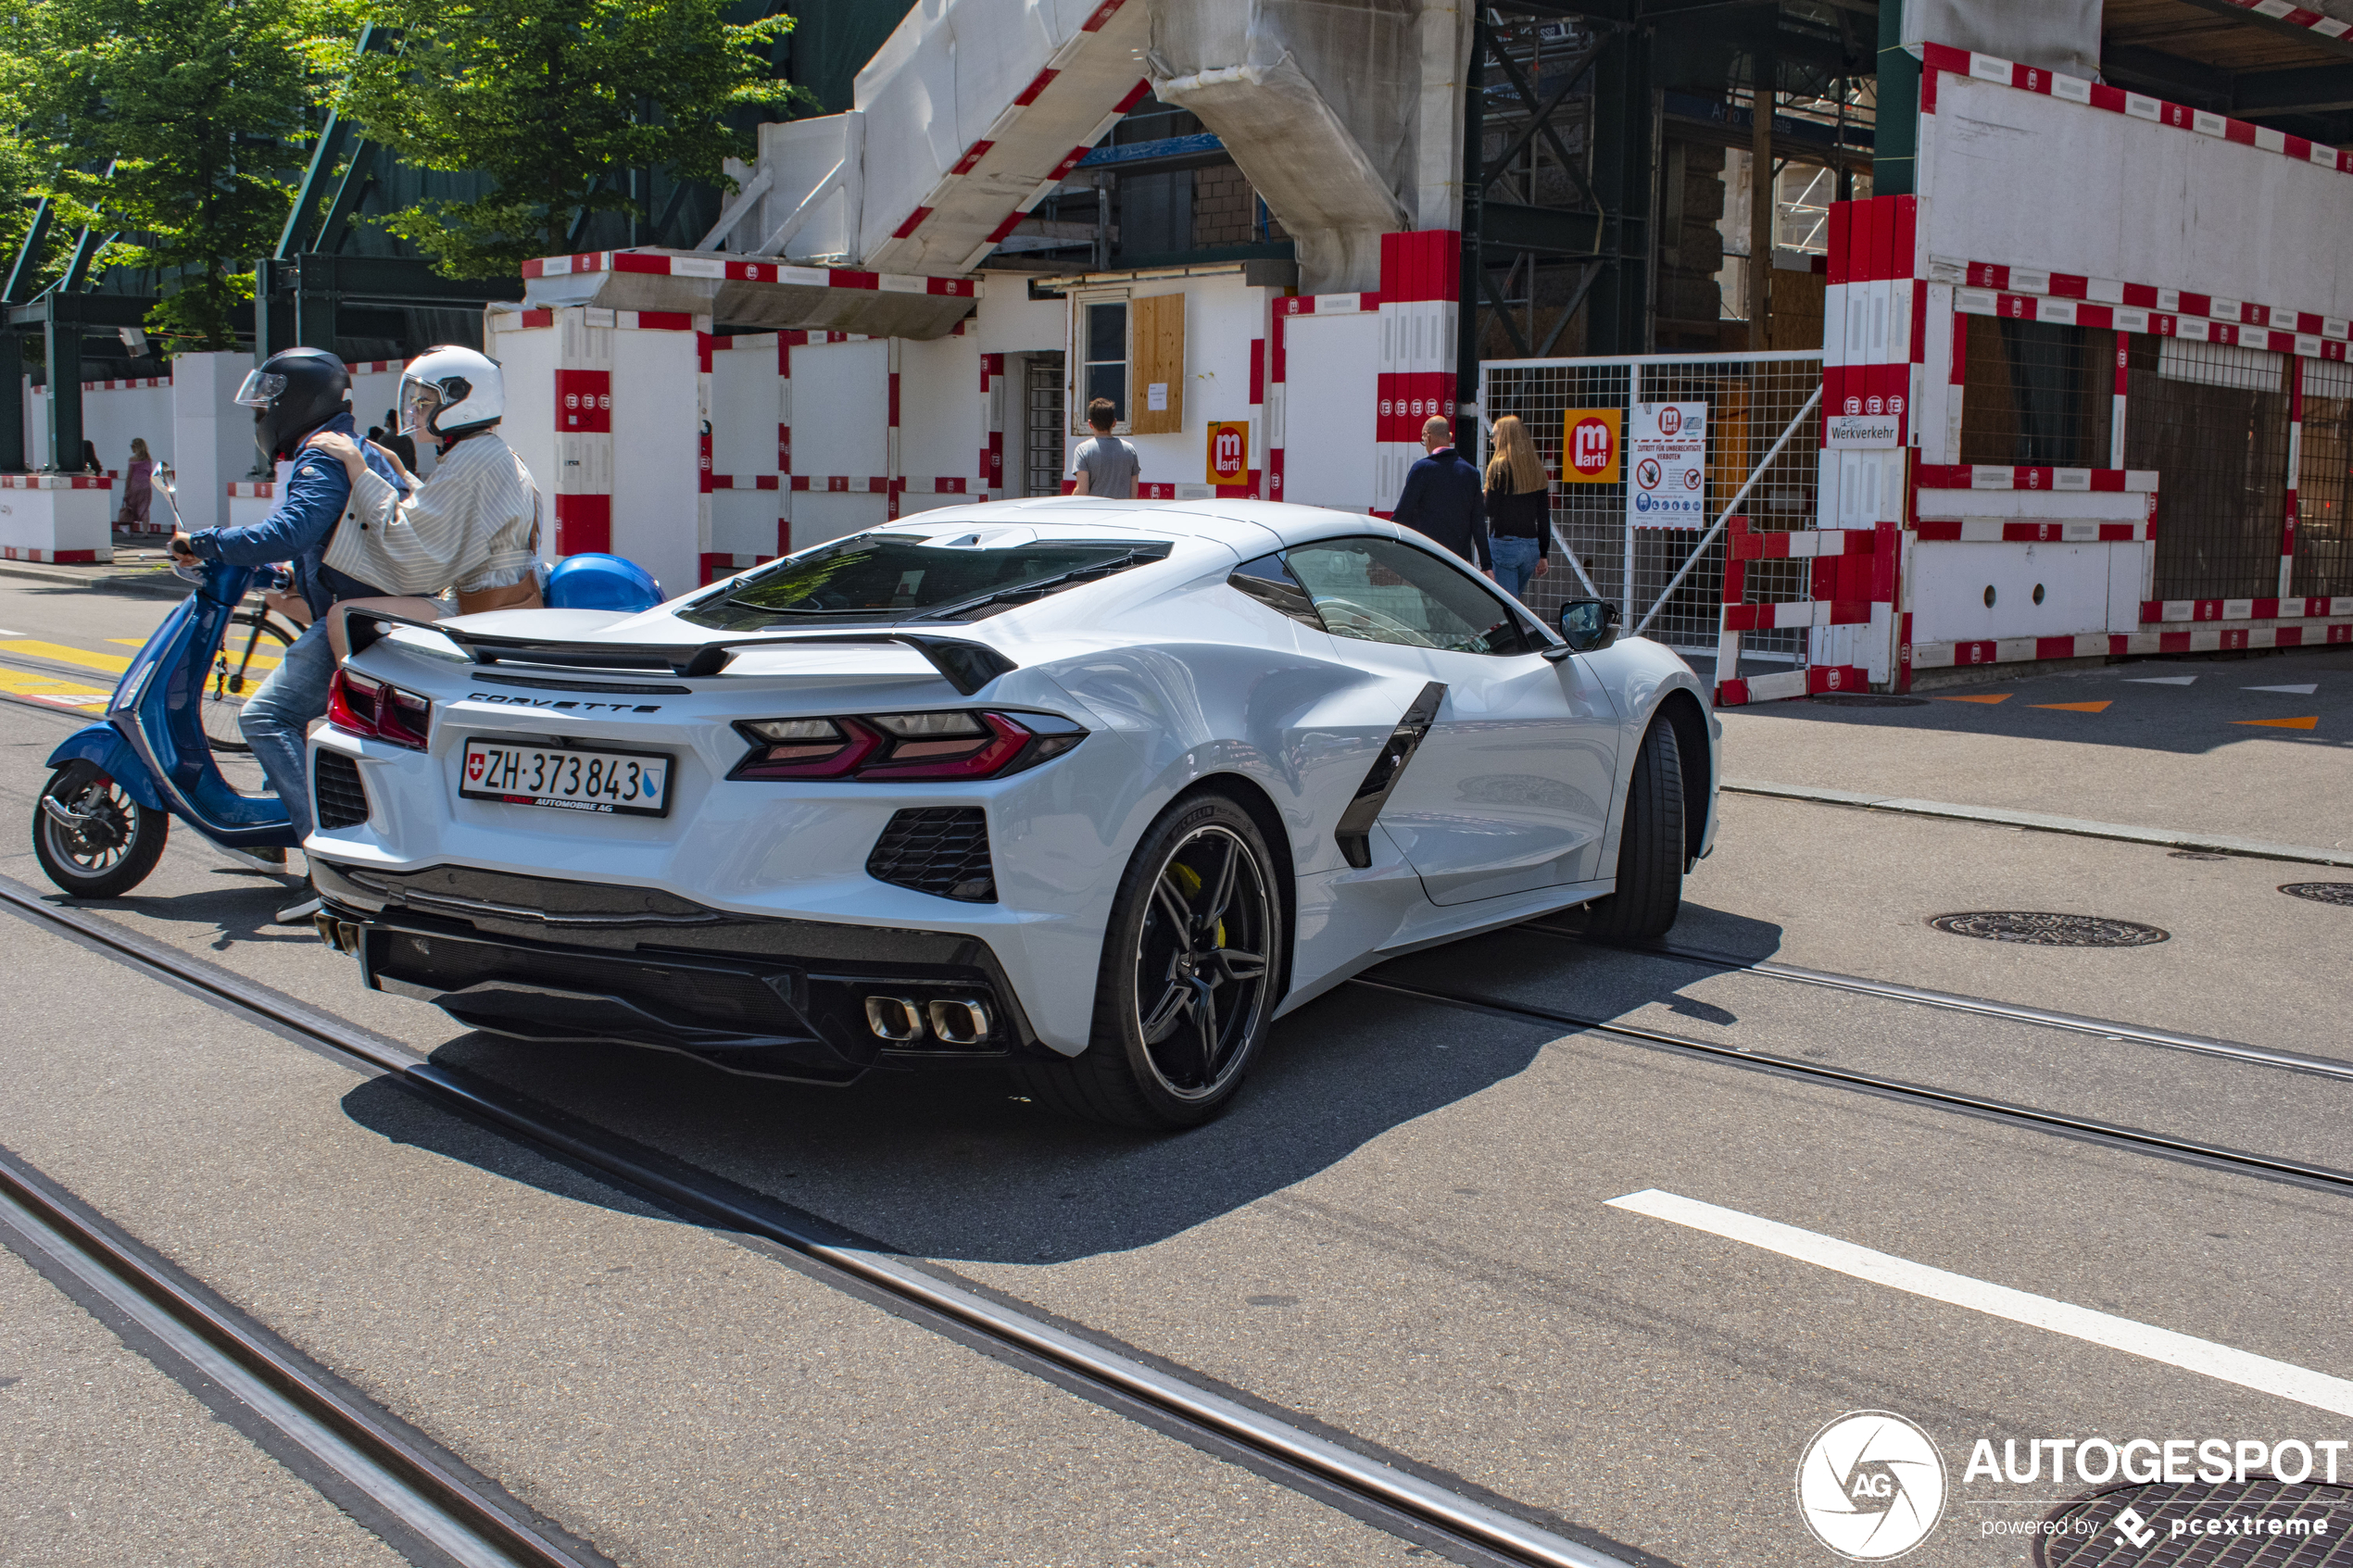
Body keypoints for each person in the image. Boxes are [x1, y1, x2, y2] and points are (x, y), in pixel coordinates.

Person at [169, 348, 406, 918]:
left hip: (352, 620)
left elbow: (290, 529)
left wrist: (203, 542)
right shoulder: (355, 448)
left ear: (299, 401)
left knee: (264, 717)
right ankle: (281, 839)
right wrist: (278, 572)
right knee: (298, 723)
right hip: (368, 609)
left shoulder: (321, 456)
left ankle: (326, 867)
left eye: (270, 401)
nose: (262, 414)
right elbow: (330, 543)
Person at [306, 345, 542, 659]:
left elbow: (411, 541)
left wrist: (358, 468)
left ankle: (363, 708)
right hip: (497, 595)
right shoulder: (488, 452)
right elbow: (444, 513)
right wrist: (402, 472)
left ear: (461, 403)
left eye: (424, 401)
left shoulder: (470, 459)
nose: (414, 410)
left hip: (476, 604)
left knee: (344, 616)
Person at [1392, 415, 1490, 575]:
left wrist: (1390, 545)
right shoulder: (1472, 473)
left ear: (1428, 436)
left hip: (1427, 554)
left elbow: (1403, 513)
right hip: (1459, 560)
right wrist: (1486, 565)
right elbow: (1478, 523)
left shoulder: (1422, 469)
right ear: (1449, 436)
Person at [1482, 415, 1552, 598]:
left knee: (1505, 605)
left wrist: (1485, 496)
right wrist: (1543, 554)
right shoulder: (1536, 469)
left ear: (1504, 436)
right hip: (1531, 547)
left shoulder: (1499, 466)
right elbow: (1543, 516)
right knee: (1514, 603)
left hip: (1505, 544)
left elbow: (1489, 510)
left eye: (1494, 434)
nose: (1492, 439)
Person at [1067, 397, 1139, 498]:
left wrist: (1069, 502)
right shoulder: (1129, 450)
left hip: (1096, 512)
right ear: (1114, 423)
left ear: (1090, 424)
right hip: (1123, 512)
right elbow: (1133, 494)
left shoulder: (1083, 450)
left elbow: (1082, 491)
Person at [116, 438, 155, 530]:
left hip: (134, 486)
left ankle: (131, 531)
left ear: (135, 447)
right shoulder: (148, 460)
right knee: (145, 509)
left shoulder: (132, 460)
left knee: (131, 508)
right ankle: (145, 532)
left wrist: (126, 490)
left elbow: (129, 476)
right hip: (146, 486)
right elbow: (150, 473)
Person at [378, 409, 418, 473]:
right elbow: (413, 461)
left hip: (391, 476)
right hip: (407, 474)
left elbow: (380, 460)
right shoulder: (407, 439)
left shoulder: (384, 439)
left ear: (389, 421)